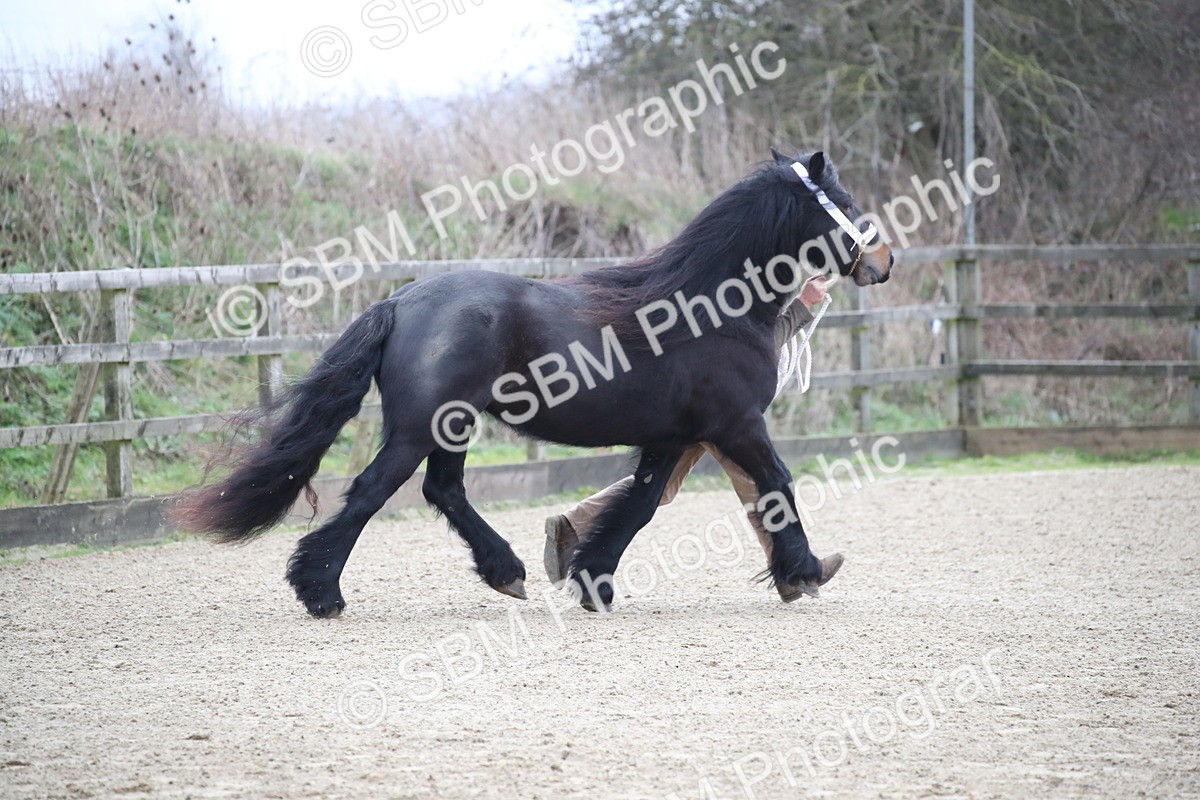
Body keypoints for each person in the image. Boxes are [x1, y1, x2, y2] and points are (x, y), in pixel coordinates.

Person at [543, 273, 843, 602]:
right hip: (718, 407)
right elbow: (759, 345)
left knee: (661, 488)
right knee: (761, 479)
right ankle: (793, 571)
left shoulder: (727, 283)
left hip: (702, 402)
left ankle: (572, 526)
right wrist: (802, 305)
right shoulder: (740, 292)